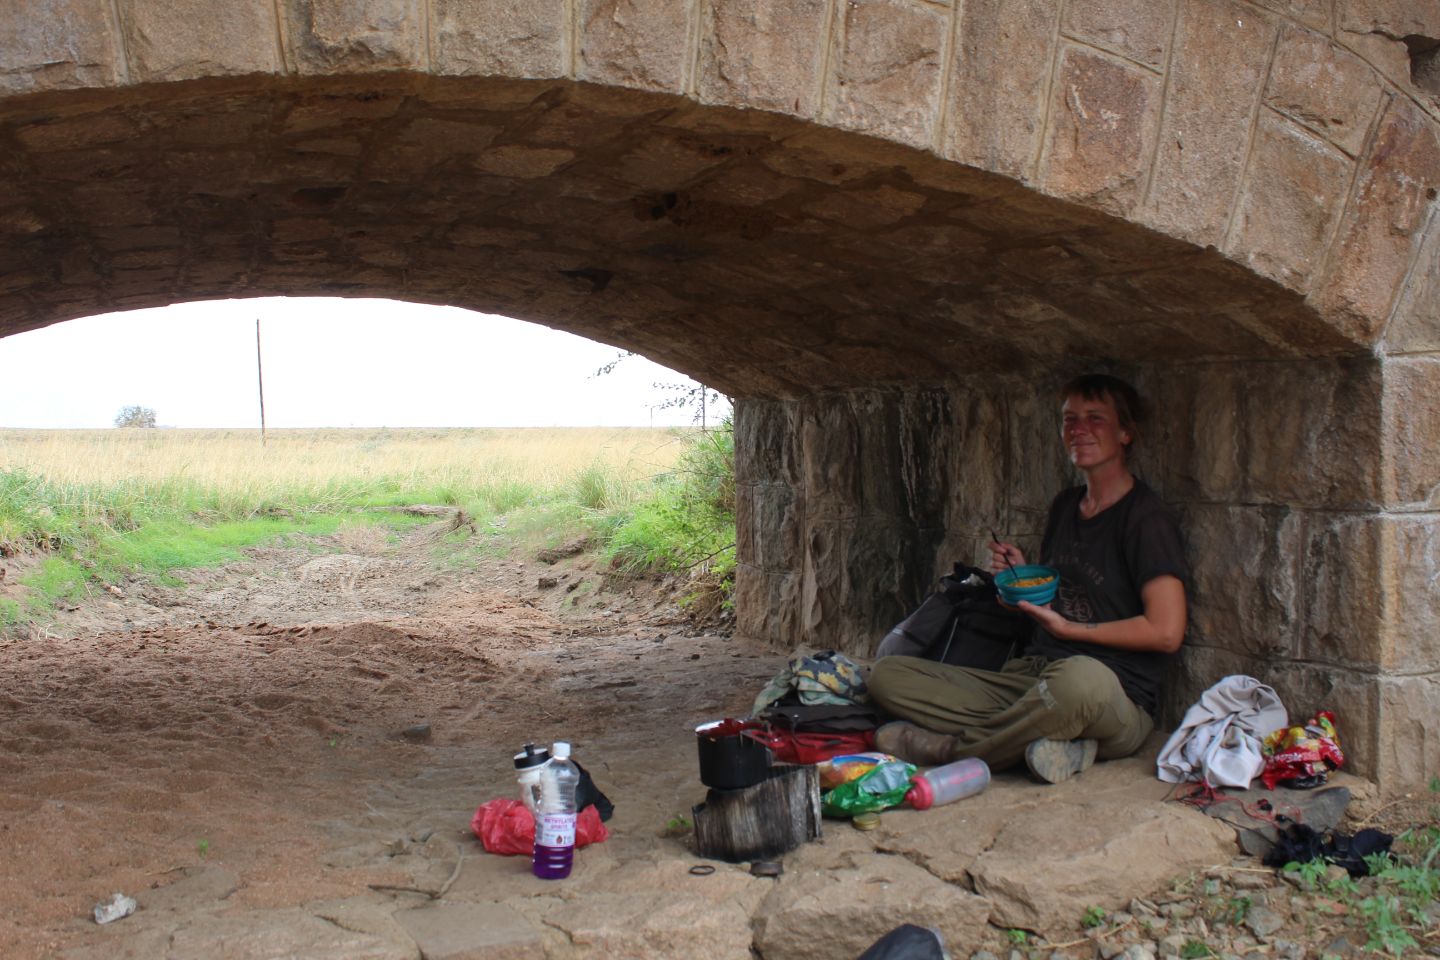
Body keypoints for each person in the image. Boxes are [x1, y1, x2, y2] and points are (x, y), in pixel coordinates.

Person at [868, 374, 1188, 783]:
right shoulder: (1066, 506)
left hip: (1110, 693)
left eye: (1095, 418)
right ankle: (1052, 742)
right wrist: (1019, 583)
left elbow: (1166, 632)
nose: (1079, 429)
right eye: (1069, 419)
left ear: (1126, 433)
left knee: (1077, 680)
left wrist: (1071, 630)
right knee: (887, 675)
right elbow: (1055, 602)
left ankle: (952, 750)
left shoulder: (1146, 519)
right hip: (1032, 679)